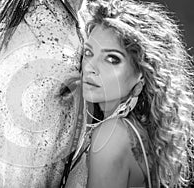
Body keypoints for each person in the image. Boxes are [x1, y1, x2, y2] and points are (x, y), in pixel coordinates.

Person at [65, 0, 194, 187]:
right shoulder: (139, 131)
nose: (90, 67)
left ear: (141, 75)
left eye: (112, 59)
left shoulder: (111, 136)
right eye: (88, 52)